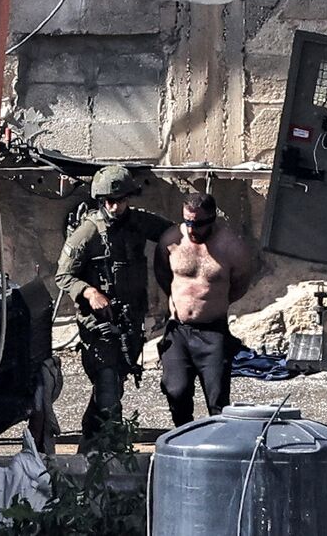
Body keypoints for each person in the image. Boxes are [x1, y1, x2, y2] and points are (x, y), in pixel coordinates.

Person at [55, 165, 172, 446]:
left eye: (120, 200)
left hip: (130, 321)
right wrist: (89, 291)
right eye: (108, 201)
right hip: (99, 325)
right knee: (107, 384)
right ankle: (116, 449)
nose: (115, 206)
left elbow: (173, 234)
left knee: (115, 382)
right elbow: (63, 275)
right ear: (100, 200)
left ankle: (90, 441)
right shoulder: (88, 232)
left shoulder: (139, 223)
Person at [154, 193, 253, 426]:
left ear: (212, 218)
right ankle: (183, 439)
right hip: (178, 330)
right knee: (176, 391)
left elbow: (240, 285)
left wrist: (213, 304)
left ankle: (218, 451)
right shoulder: (171, 240)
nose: (191, 229)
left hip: (212, 331)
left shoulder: (232, 247)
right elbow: (162, 275)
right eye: (187, 222)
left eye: (197, 223)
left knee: (218, 399)